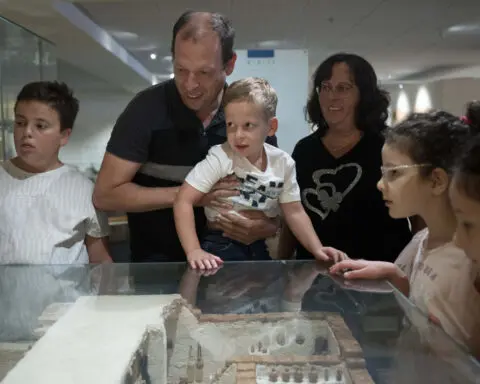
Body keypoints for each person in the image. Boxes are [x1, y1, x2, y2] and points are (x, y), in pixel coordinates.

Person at [93, 11, 278, 263]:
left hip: (235, 270)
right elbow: (105, 194)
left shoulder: (250, 112)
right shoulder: (145, 110)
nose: (190, 85)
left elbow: (274, 200)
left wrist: (268, 226)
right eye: (181, 69)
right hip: (159, 268)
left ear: (230, 64)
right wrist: (193, 194)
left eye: (204, 73)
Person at [330, 111, 480, 357]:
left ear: (436, 181)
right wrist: (396, 277)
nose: (380, 184)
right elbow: (426, 307)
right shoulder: (421, 240)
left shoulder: (471, 262)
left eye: (394, 173)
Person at [174, 77, 345, 269]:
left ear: (271, 127)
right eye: (231, 125)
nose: (238, 135)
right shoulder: (221, 157)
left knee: (264, 294)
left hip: (259, 242)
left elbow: (295, 212)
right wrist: (194, 250)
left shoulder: (283, 163)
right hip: (220, 243)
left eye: (248, 125)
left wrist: (317, 249)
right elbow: (183, 200)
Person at [278, 53, 412, 262]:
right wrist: (281, 266)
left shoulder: (389, 146)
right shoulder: (304, 150)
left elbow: (418, 210)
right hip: (314, 276)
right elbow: (292, 214)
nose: (332, 96)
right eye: (326, 87)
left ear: (363, 95)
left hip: (379, 276)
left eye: (343, 88)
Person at [0, 81, 111, 264]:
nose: (26, 132)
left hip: (69, 292)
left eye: (40, 126)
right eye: (20, 123)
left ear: (64, 136)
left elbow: (100, 260)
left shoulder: (83, 189)